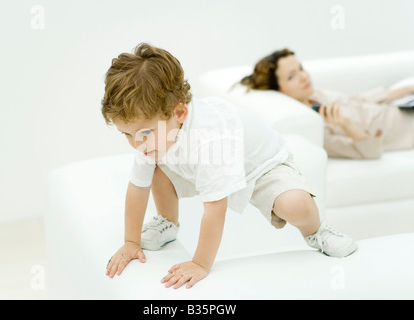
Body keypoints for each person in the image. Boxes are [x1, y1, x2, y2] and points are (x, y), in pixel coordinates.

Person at [101, 43, 357, 290]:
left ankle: (317, 230)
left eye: (142, 132)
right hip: (200, 164)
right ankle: (168, 222)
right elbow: (138, 186)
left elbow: (215, 209)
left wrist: (200, 263)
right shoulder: (151, 136)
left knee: (296, 205)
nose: (136, 143)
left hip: (260, 167)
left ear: (179, 113)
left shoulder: (209, 138)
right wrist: (130, 241)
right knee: (155, 166)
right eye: (126, 134)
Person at [240, 49, 414, 159]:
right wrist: (347, 125)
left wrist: (406, 89)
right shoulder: (315, 126)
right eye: (291, 76)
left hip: (401, 108)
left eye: (301, 68)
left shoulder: (314, 94)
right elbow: (371, 152)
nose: (304, 76)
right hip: (406, 127)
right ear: (278, 90)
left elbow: (357, 101)